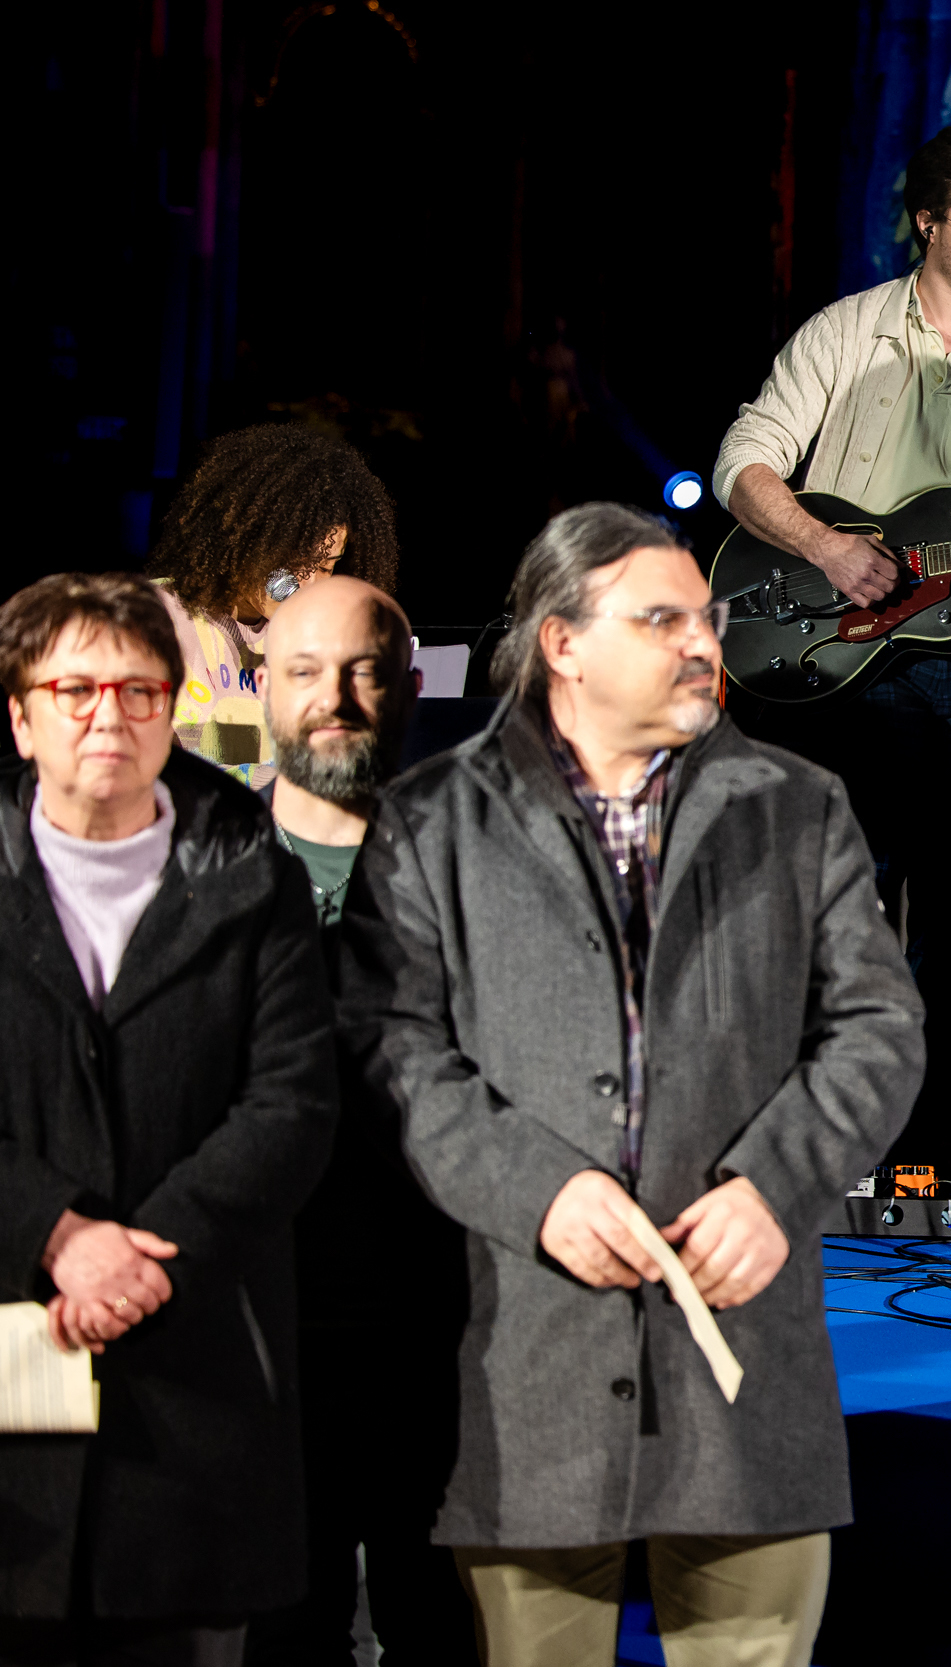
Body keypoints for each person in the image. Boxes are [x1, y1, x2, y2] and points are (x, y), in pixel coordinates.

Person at [338, 504, 925, 1662]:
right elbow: (391, 1045)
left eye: (705, 617)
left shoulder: (797, 803)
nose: (703, 640)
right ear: (563, 641)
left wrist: (772, 1182)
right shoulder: (433, 818)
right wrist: (537, 1189)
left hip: (745, 1369)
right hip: (533, 1370)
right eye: (663, 619)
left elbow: (879, 1027)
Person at [711, 122, 951, 1164]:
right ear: (927, 222)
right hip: (843, 648)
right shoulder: (844, 333)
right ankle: (815, 1141)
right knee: (840, 899)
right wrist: (826, 546)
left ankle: (925, 1150)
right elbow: (744, 457)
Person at [0, 572, 337, 1660]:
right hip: (15, 1352)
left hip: (195, 1359)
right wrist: (57, 1230)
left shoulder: (255, 876)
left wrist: (144, 1258)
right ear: (22, 716)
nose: (109, 716)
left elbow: (292, 1101)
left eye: (140, 690)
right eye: (75, 689)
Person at [239, 578, 477, 1666]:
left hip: (441, 1330)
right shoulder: (192, 871)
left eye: (364, 671)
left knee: (440, 1625)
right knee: (283, 1633)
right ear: (263, 689)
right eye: (303, 671)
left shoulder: (479, 872)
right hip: (257, 1334)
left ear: (413, 688)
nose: (332, 699)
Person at [145, 423, 401, 790]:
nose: (307, 584)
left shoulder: (320, 637)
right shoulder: (155, 615)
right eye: (295, 561)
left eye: (326, 566)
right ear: (249, 540)